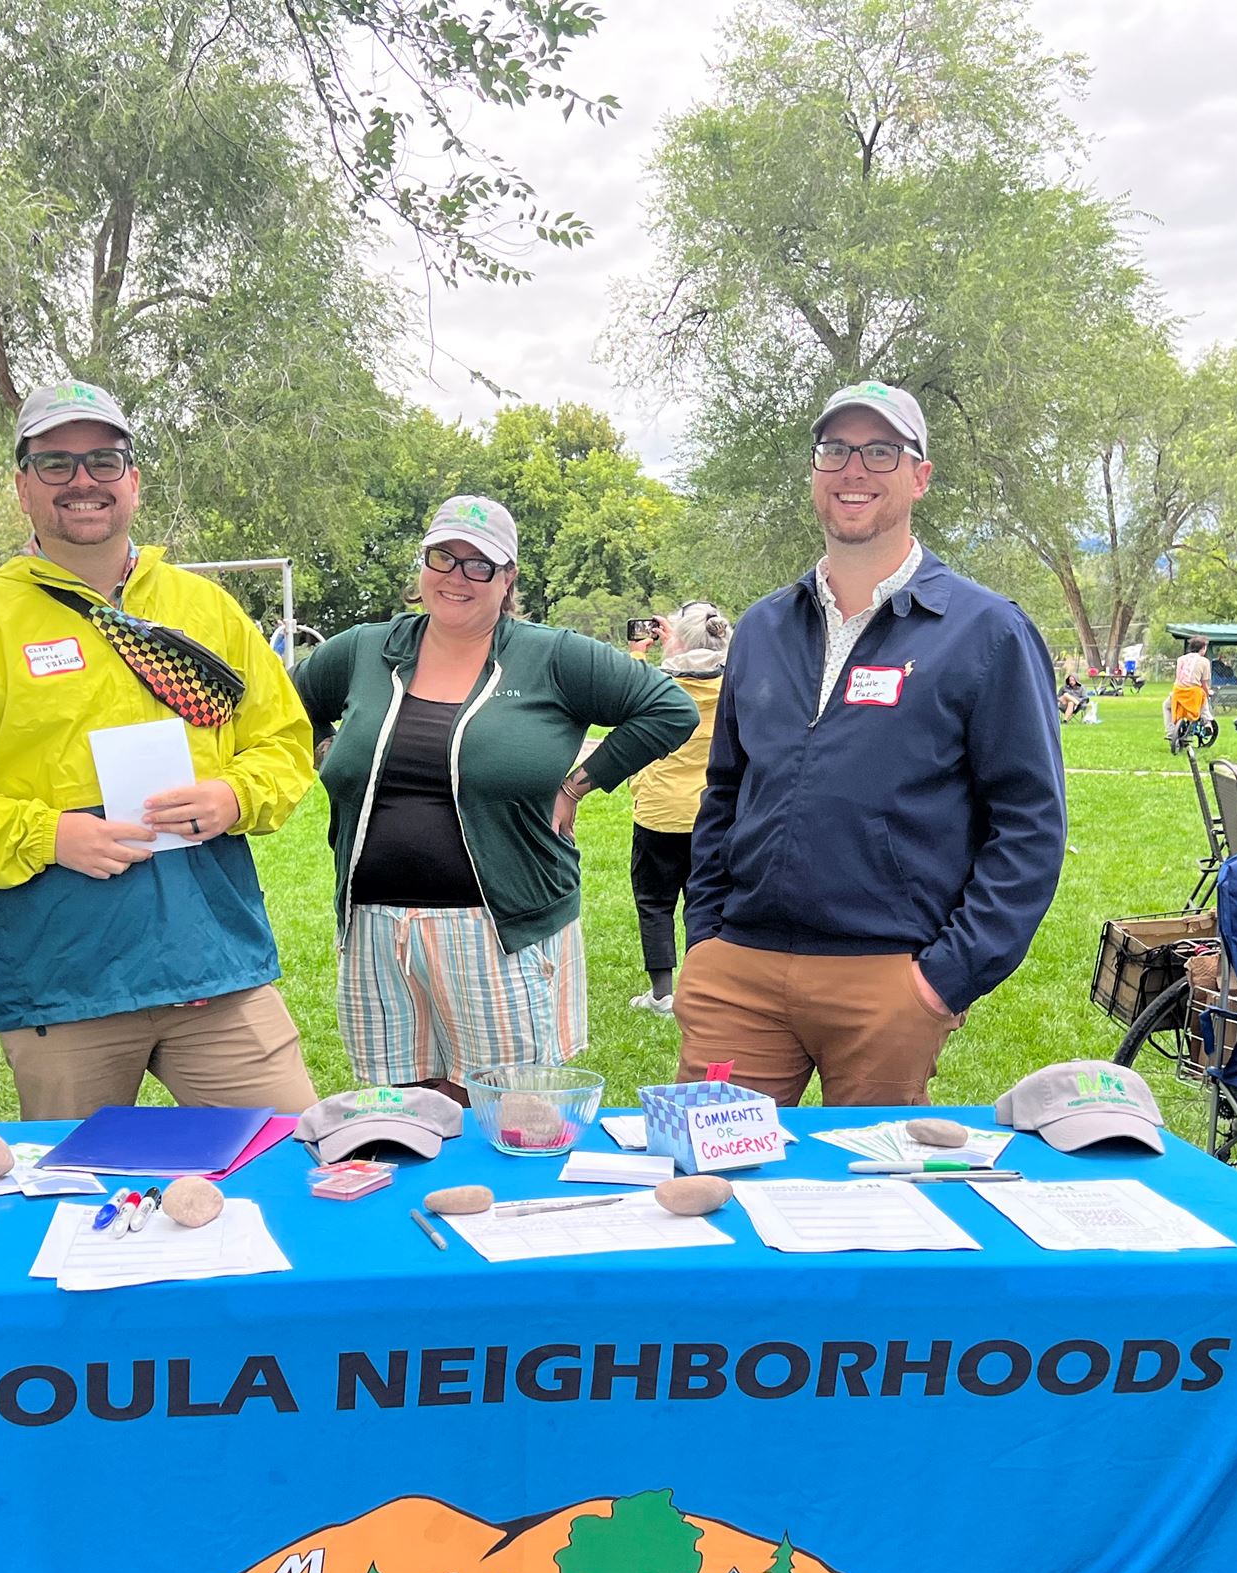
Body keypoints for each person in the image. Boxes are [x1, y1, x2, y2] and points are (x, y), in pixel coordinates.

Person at [0, 378, 320, 1118]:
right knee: (80, 1199)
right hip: (64, 976)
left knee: (288, 1164)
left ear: (132, 481)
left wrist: (234, 794)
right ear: (22, 487)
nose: (83, 481)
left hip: (215, 967)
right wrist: (47, 834)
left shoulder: (207, 610)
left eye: (104, 461)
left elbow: (283, 742)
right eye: (56, 464)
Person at [676, 381, 1066, 1108]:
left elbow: (1031, 825)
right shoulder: (762, 627)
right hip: (740, 972)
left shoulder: (985, 631)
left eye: (881, 451)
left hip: (889, 979)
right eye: (835, 450)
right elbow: (725, 791)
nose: (854, 470)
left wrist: (944, 977)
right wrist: (706, 940)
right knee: (710, 1183)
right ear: (815, 474)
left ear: (920, 476)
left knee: (866, 1209)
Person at [295, 497, 695, 1092]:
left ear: (507, 579)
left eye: (479, 564)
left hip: (500, 931)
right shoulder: (365, 650)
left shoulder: (551, 655)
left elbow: (669, 708)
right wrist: (327, 750)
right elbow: (281, 706)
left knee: (512, 1116)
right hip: (376, 932)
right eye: (443, 557)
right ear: (423, 563)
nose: (457, 576)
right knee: (397, 1120)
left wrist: (578, 784)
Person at [624, 602, 732, 1016]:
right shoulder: (737, 679)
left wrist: (640, 649)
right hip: (713, 811)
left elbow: (628, 689)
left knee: (655, 901)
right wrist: (682, 643)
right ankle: (705, 987)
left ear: (680, 640)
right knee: (706, 901)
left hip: (659, 810)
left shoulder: (656, 683)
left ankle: (662, 993)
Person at [1167, 634, 1212, 739]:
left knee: (1166, 706)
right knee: (1203, 701)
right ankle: (1207, 723)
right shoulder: (1204, 662)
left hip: (1178, 692)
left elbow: (1178, 678)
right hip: (1193, 693)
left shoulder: (1181, 659)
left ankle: (1170, 731)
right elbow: (1204, 684)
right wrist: (1208, 692)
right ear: (1203, 648)